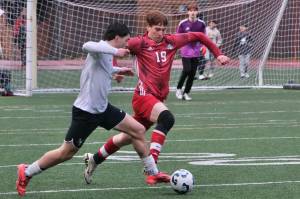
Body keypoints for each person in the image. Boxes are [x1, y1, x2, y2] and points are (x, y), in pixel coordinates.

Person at [83, 10, 230, 185]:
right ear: (148, 27)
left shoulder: (171, 41)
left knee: (129, 137)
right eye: (157, 29)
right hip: (144, 96)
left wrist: (218, 53)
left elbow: (199, 35)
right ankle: (152, 167)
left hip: (158, 98)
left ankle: (95, 159)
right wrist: (115, 69)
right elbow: (113, 49)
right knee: (167, 119)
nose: (161, 33)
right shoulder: (139, 42)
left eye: (163, 29)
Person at [15, 22, 162, 197]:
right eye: (126, 40)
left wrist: (118, 70)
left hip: (103, 109)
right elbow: (87, 45)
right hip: (86, 113)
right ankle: (27, 171)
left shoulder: (106, 54)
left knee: (137, 130)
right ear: (116, 38)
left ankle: (153, 173)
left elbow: (103, 68)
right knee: (66, 153)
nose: (127, 44)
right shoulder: (100, 48)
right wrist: (116, 52)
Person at [175, 3, 206, 101]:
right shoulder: (183, 23)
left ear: (197, 12)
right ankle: (179, 89)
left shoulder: (201, 24)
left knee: (192, 74)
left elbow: (203, 37)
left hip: (196, 51)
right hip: (186, 50)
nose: (192, 12)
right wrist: (178, 46)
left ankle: (186, 93)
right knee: (187, 70)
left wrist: (203, 46)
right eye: (190, 10)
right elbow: (177, 36)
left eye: (194, 10)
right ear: (188, 12)